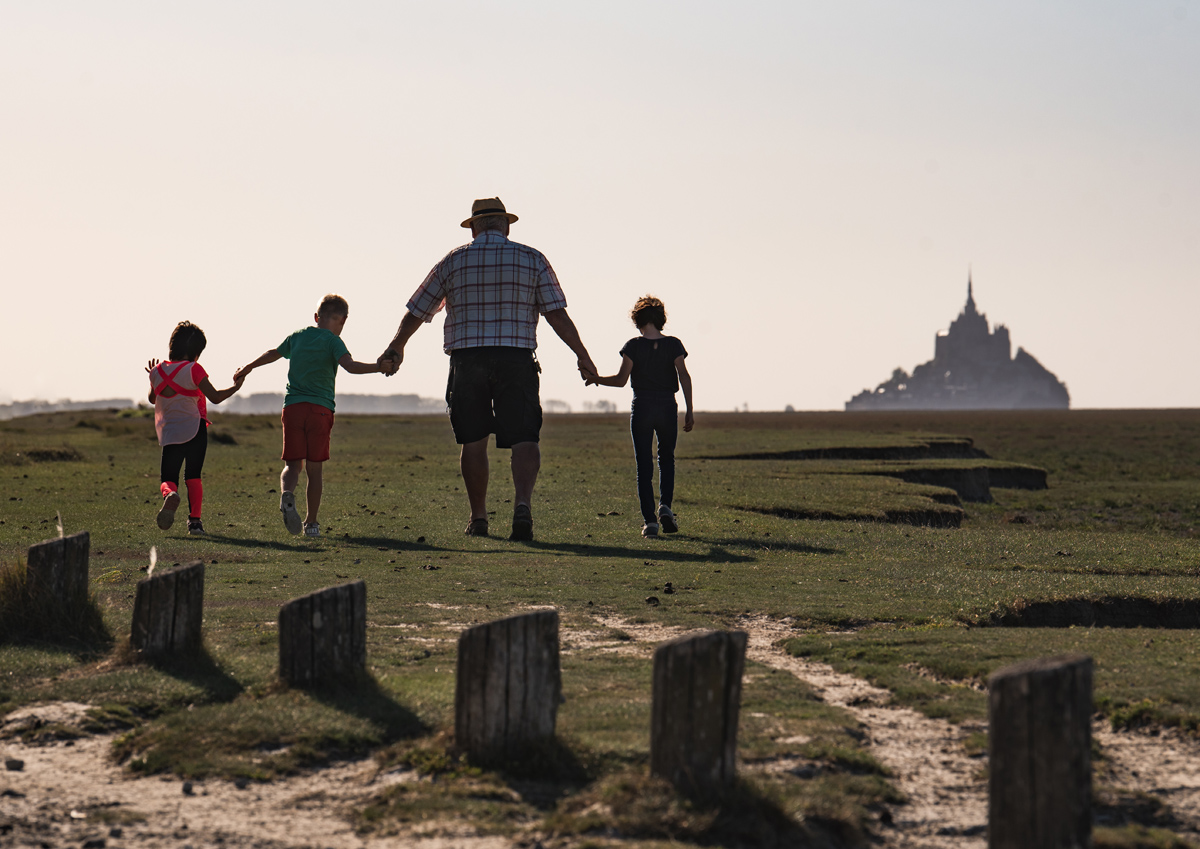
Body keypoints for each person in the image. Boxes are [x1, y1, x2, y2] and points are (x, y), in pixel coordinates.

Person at [379, 197, 596, 541]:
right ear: (506, 226)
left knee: (473, 440)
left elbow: (418, 311)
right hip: (516, 358)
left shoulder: (452, 261)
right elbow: (556, 314)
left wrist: (397, 346)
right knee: (525, 436)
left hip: (468, 360)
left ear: (475, 227)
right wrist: (582, 355)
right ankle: (522, 506)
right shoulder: (532, 258)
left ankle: (478, 517)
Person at [234, 294, 394, 537]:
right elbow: (350, 366)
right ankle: (311, 524)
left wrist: (248, 367)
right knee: (315, 470)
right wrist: (378, 367)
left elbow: (272, 353)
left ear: (316, 317)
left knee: (292, 465)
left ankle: (287, 494)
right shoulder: (334, 342)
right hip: (320, 410)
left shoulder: (297, 336)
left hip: (293, 408)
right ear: (343, 320)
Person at [587, 296, 694, 538]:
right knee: (666, 459)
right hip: (668, 406)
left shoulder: (633, 346)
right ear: (660, 319)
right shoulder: (674, 344)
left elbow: (621, 380)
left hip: (642, 406)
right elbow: (684, 376)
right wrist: (690, 409)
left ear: (638, 320)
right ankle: (665, 506)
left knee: (643, 465)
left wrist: (596, 379)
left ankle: (650, 522)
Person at [147, 321, 245, 535]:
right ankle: (195, 522)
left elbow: (153, 398)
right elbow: (216, 397)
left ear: (171, 346)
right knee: (193, 476)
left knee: (168, 479)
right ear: (197, 352)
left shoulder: (156, 372)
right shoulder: (194, 369)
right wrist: (236, 387)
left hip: (170, 432)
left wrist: (153, 377)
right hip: (195, 429)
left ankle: (170, 495)